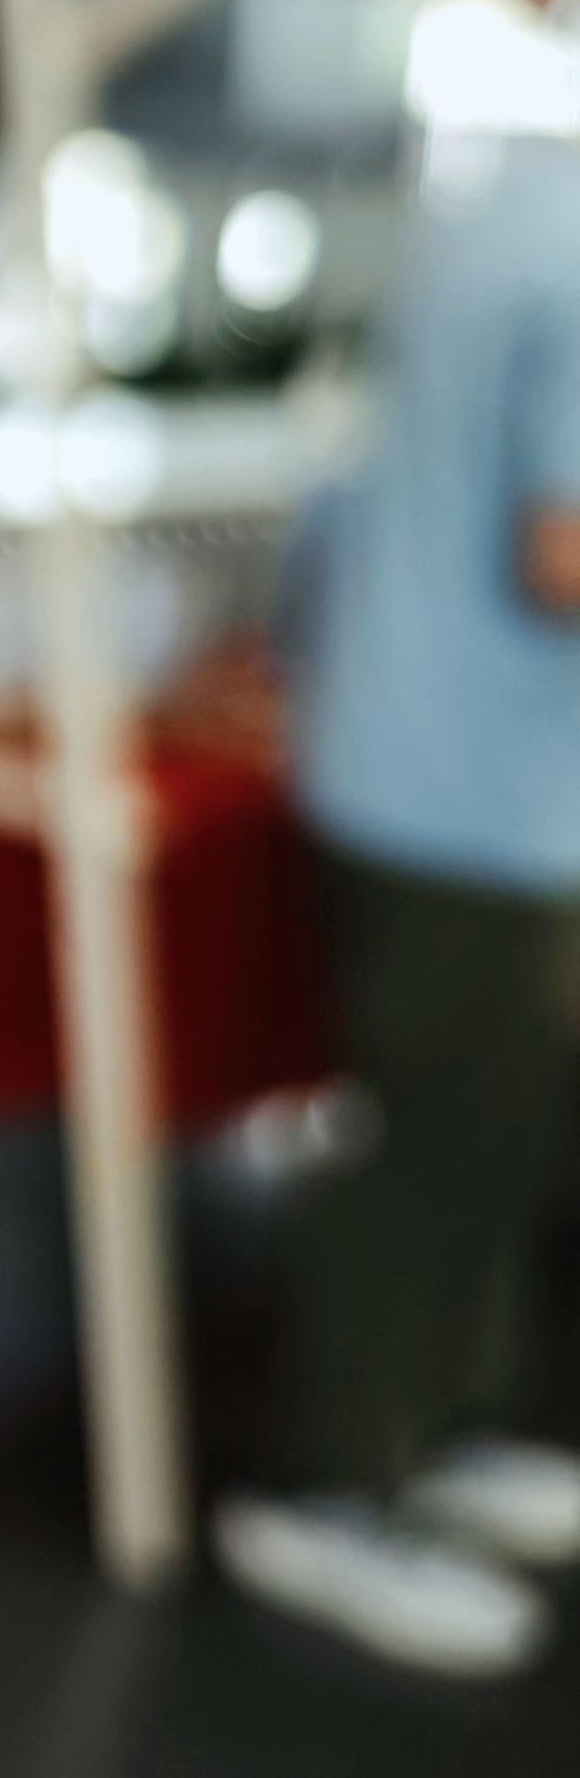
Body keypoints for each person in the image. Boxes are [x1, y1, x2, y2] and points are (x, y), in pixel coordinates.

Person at [216, 133, 580, 1677]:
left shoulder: (509, 203)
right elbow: (562, 554)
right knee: (442, 1151)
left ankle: (447, 1433)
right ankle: (327, 1493)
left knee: (493, 1133)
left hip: (418, 758)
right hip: (483, 799)